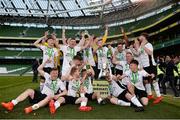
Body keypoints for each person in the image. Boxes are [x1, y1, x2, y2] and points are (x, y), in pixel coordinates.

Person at [1, 61, 67, 114]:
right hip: (40, 95)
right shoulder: (47, 76)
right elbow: (39, 69)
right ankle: (12, 104)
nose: (55, 74)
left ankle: (31, 108)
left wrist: (58, 95)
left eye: (56, 73)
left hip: (47, 99)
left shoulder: (59, 82)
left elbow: (65, 92)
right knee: (29, 90)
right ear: (50, 73)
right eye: (53, 73)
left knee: (50, 96)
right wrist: (45, 62)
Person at [138, 33, 162, 104]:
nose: (139, 37)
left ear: (144, 37)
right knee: (146, 81)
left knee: (153, 80)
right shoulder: (140, 46)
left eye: (140, 36)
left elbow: (150, 53)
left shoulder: (149, 44)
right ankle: (150, 94)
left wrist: (143, 46)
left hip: (151, 65)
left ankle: (159, 96)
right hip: (145, 66)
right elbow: (140, 56)